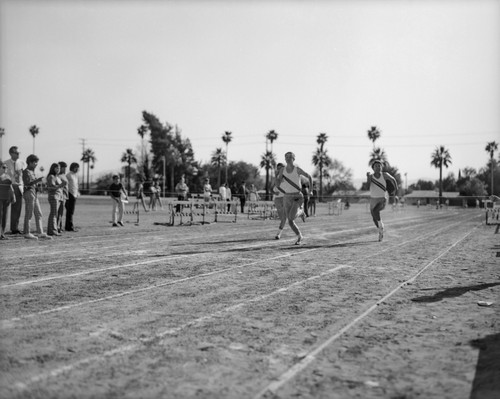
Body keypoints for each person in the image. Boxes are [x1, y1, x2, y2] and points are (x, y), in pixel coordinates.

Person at [276, 152, 312, 245]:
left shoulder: (297, 169)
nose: (287, 158)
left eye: (290, 157)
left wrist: (310, 190)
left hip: (297, 196)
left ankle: (301, 212)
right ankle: (300, 236)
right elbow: (278, 181)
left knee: (291, 216)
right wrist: (278, 181)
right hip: (287, 196)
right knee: (290, 221)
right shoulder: (282, 170)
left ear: (293, 159)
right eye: (286, 157)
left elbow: (310, 177)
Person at [366, 159, 398, 242]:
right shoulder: (371, 176)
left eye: (379, 166)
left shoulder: (385, 175)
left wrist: (395, 189)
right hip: (373, 199)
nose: (378, 167)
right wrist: (367, 178)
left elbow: (393, 179)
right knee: (374, 218)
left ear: (381, 167)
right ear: (373, 168)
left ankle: (381, 226)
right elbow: (367, 186)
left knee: (376, 211)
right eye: (376, 166)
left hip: (383, 199)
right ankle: (380, 230)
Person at [22, 154, 51, 240]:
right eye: (35, 162)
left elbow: (34, 183)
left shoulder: (33, 171)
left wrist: (39, 184)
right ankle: (27, 233)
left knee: (38, 213)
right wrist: (37, 180)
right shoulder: (26, 171)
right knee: (29, 213)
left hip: (34, 193)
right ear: (30, 162)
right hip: (28, 193)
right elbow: (27, 183)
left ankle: (40, 232)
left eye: (37, 162)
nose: (36, 164)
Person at [4, 146, 25, 234]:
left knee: (17, 208)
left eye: (19, 153)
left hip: (19, 187)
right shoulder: (5, 163)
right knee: (4, 208)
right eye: (16, 153)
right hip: (8, 187)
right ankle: (2, 229)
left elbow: (24, 175)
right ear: (11, 153)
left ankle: (14, 228)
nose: (18, 154)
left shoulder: (22, 163)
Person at [46, 163, 67, 236]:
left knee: (55, 214)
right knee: (53, 214)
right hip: (54, 196)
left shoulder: (57, 177)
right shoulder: (51, 177)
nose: (58, 169)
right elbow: (52, 188)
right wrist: (61, 184)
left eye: (59, 168)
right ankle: (53, 231)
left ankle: (51, 230)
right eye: (57, 168)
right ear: (53, 168)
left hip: (60, 197)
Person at [0, 162, 16, 239]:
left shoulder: (8, 176)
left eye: (6, 167)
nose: (5, 169)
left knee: (5, 217)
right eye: (4, 167)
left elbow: (11, 187)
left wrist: (13, 196)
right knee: (0, 215)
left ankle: (2, 234)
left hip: (7, 199)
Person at [272, 163, 287, 239]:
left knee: (285, 217)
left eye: (280, 168)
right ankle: (279, 232)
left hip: (285, 198)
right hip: (277, 199)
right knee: (282, 218)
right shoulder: (276, 177)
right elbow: (271, 188)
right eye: (278, 168)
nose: (279, 170)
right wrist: (274, 192)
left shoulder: (287, 177)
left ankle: (278, 233)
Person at [65, 162, 80, 232]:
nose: (77, 169)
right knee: (70, 211)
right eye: (76, 167)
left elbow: (76, 185)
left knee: (71, 211)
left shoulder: (76, 175)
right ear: (72, 167)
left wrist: (77, 193)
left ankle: (67, 226)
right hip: (69, 194)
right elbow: (65, 185)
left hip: (74, 194)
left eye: (78, 167)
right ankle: (69, 227)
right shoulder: (68, 175)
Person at [57, 161, 68, 233]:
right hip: (60, 196)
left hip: (65, 196)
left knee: (61, 213)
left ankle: (60, 226)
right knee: (58, 212)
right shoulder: (58, 176)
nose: (64, 169)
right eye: (63, 167)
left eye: (65, 168)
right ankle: (57, 227)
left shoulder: (64, 175)